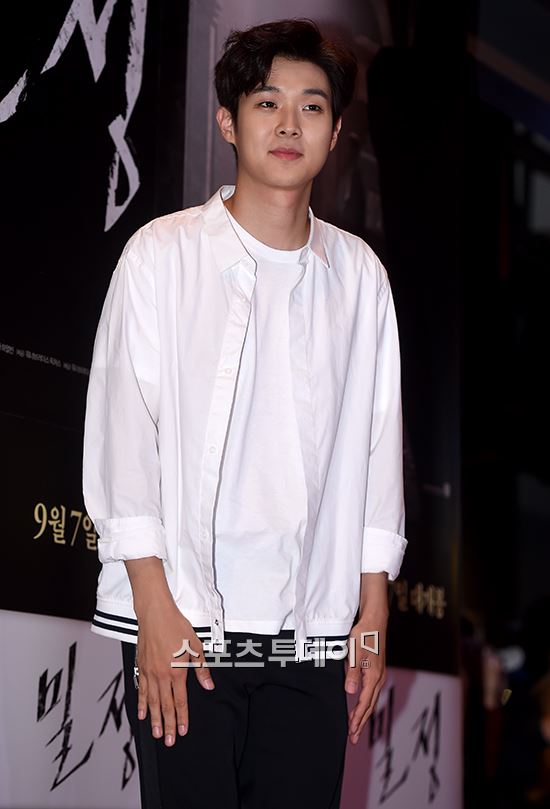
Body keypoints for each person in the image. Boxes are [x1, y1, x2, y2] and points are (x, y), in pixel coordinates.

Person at [82, 18, 407, 809]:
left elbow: (377, 451)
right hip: (185, 630)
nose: (289, 124)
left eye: (312, 106)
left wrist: (372, 613)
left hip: (312, 641)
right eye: (267, 103)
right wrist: (153, 607)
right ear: (229, 122)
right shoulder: (162, 255)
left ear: (336, 131)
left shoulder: (359, 277)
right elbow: (124, 441)